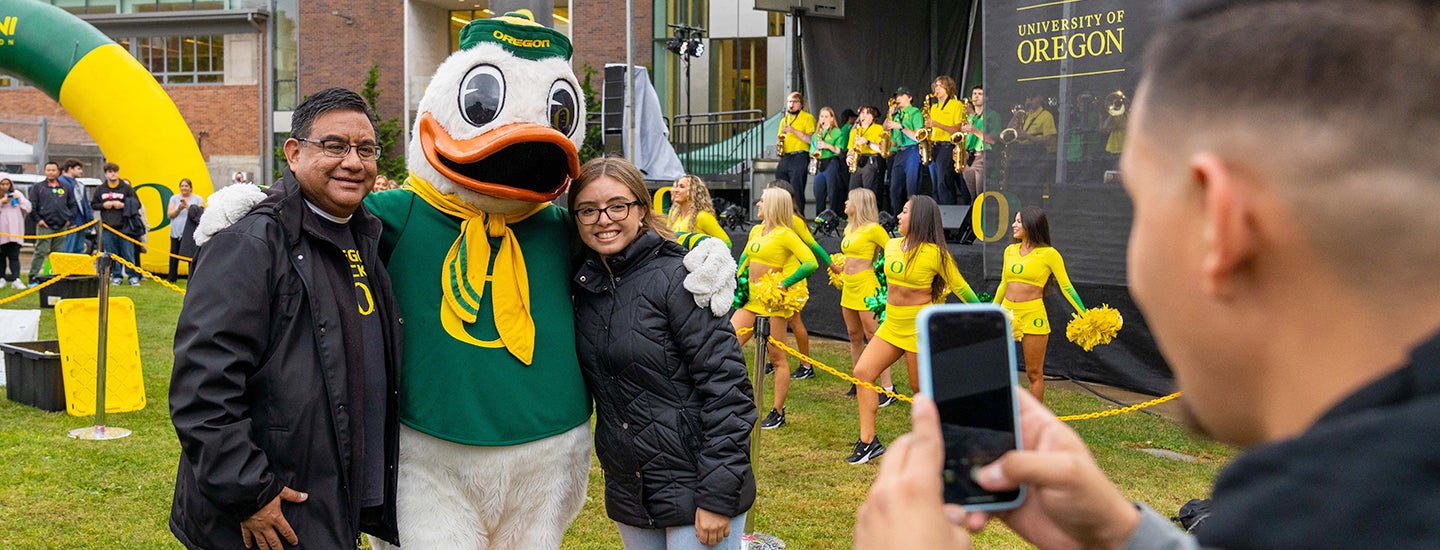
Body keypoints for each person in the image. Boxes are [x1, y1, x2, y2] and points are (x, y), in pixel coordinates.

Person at [855, 2, 1440, 548]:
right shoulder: (1364, 502)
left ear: (1221, 225)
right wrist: (1121, 533)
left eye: (1140, 203)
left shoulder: (1295, 519)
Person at [169, 87, 402, 549]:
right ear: (294, 153)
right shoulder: (251, 242)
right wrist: (250, 492)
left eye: (367, 149)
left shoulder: (365, 235)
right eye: (334, 146)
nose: (354, 162)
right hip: (271, 511)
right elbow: (204, 386)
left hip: (330, 497)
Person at [570, 157, 757, 550]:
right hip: (632, 491)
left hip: (698, 485)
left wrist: (718, 496)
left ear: (641, 209)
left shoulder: (680, 278)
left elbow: (729, 392)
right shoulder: (584, 287)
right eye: (588, 209)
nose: (604, 218)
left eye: (617, 205)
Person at [847, 195, 979, 464]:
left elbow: (961, 288)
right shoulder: (892, 245)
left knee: (920, 389)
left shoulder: (936, 254)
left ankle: (936, 442)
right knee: (862, 372)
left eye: (905, 212)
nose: (898, 216)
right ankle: (868, 442)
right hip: (891, 325)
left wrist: (989, 316)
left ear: (918, 218)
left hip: (919, 330)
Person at [732, 186, 818, 430]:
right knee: (728, 344)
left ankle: (778, 411)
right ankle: (739, 399)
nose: (758, 204)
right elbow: (745, 257)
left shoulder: (785, 234)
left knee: (777, 358)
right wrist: (739, 274)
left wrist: (785, 283)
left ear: (772, 205)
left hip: (772, 304)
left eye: (762, 201)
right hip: (750, 302)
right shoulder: (756, 230)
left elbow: (810, 262)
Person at [991, 207, 1088, 401]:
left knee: (1034, 373)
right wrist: (990, 312)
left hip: (1032, 316)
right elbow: (1004, 284)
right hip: (1006, 314)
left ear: (1031, 225)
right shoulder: (1009, 250)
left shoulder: (1050, 254)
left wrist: (1085, 315)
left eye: (1018, 221)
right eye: (1015, 220)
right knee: (997, 368)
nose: (1013, 225)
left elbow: (1067, 287)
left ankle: (1035, 420)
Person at [830, 188, 895, 400]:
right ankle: (858, 380)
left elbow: (893, 250)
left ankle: (887, 388)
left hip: (867, 286)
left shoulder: (873, 229)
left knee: (874, 336)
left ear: (859, 203)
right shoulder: (849, 228)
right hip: (848, 287)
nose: (845, 202)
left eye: (849, 199)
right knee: (853, 335)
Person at [766, 180, 830, 380]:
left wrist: (832, 264)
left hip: (793, 278)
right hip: (777, 277)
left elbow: (814, 246)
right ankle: (775, 358)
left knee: (794, 320)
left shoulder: (795, 221)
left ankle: (806, 364)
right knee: (773, 319)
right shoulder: (771, 220)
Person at [92, 163, 142, 285]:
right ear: (106, 174)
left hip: (125, 227)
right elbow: (93, 204)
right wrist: (104, 205)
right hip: (108, 227)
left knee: (128, 253)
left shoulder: (126, 188)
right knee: (111, 254)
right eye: (110, 172)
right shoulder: (100, 189)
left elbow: (137, 204)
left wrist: (124, 205)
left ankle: (132, 276)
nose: (112, 174)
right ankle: (116, 276)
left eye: (115, 171)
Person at [26, 161, 75, 287]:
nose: (51, 172)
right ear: (45, 172)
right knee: (40, 251)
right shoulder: (38, 187)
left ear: (58, 172)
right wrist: (38, 220)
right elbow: (32, 206)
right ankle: (33, 277)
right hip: (44, 225)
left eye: (53, 170)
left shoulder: (65, 187)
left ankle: (55, 276)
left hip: (62, 225)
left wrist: (69, 218)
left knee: (57, 254)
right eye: (48, 170)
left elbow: (72, 204)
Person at [924, 76, 967, 205]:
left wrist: (936, 124)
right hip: (934, 145)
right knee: (936, 183)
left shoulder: (956, 104)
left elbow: (957, 129)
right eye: (935, 85)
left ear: (948, 88)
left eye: (940, 86)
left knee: (944, 182)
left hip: (948, 145)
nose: (937, 88)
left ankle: (948, 211)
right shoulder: (934, 107)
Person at [883, 87, 926, 214]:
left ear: (910, 98)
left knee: (911, 188)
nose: (898, 99)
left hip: (911, 150)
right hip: (899, 152)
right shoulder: (896, 113)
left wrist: (901, 127)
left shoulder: (915, 112)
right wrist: (890, 114)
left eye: (901, 96)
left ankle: (913, 219)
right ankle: (897, 219)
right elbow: (885, 127)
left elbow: (917, 137)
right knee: (894, 189)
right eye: (897, 96)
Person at [774, 91, 816, 215]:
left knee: (797, 187)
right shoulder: (784, 120)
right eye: (789, 102)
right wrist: (779, 144)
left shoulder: (807, 118)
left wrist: (793, 130)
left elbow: (809, 140)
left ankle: (798, 215)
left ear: (801, 104)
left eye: (794, 102)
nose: (791, 105)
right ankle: (782, 214)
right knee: (780, 185)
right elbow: (780, 137)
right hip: (786, 156)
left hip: (800, 155)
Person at [960, 85, 1000, 205]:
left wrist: (974, 130)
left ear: (987, 98)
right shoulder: (970, 117)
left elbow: (993, 140)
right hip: (968, 157)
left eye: (980, 94)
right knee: (973, 196)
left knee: (980, 195)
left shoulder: (992, 115)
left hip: (983, 156)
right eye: (974, 93)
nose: (976, 96)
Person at [668, 174, 731, 248]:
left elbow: (727, 243)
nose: (676, 190)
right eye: (676, 186)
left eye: (681, 187)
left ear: (693, 191)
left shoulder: (703, 216)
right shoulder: (674, 214)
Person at [810, 107, 848, 216]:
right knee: (818, 193)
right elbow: (811, 151)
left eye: (826, 116)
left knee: (832, 192)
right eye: (822, 116)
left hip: (831, 161)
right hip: (819, 162)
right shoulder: (816, 134)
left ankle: (833, 217)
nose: (824, 119)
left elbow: (838, 150)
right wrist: (816, 150)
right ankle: (819, 217)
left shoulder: (836, 132)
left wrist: (827, 146)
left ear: (832, 119)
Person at [165, 178, 204, 282]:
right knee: (174, 255)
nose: (184, 188)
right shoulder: (174, 198)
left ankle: (192, 278)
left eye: (186, 186)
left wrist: (188, 207)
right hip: (176, 232)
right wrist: (179, 209)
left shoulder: (198, 199)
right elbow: (169, 215)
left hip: (191, 233)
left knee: (191, 256)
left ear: (190, 188)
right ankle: (171, 277)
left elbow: (201, 212)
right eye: (182, 186)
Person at [847, 105, 888, 197]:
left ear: (873, 117)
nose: (864, 115)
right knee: (853, 192)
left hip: (871, 160)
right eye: (862, 113)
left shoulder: (878, 128)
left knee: (869, 193)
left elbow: (881, 149)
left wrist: (867, 142)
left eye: (868, 113)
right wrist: (848, 156)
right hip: (857, 161)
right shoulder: (855, 131)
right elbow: (850, 149)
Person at [0, 177, 32, 289]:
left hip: (15, 231)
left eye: (7, 184)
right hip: (2, 232)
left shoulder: (17, 193)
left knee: (14, 256)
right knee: (1, 256)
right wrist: (2, 202)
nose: (5, 187)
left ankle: (16, 279)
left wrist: (20, 199)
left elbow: (28, 208)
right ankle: (1, 278)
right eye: (2, 184)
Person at [58, 158, 93, 254]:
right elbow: (60, 204)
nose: (81, 171)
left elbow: (85, 204)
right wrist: (68, 220)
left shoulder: (79, 184)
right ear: (70, 169)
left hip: (81, 222)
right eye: (78, 168)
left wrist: (90, 220)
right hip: (69, 223)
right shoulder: (60, 183)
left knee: (78, 251)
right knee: (67, 251)